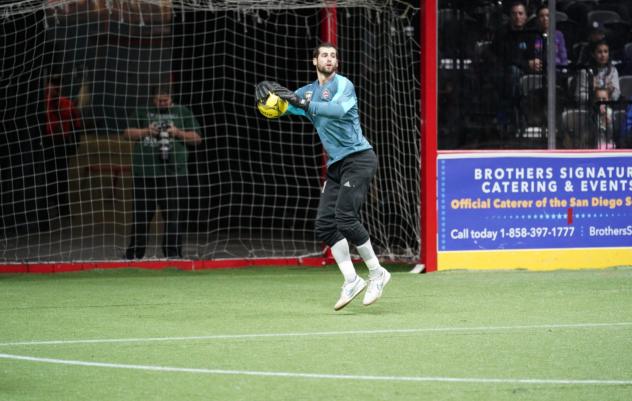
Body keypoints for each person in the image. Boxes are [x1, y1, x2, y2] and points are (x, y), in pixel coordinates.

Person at [255, 42, 391, 310]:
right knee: (325, 225)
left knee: (345, 217)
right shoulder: (307, 91)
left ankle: (377, 273)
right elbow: (284, 107)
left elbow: (338, 110)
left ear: (337, 63)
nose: (329, 59)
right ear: (314, 61)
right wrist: (267, 96)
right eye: (324, 55)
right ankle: (351, 279)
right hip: (338, 165)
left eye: (333, 56)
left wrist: (301, 102)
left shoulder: (344, 85)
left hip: (360, 158)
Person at [124, 86, 202, 259]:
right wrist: (146, 131)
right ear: (153, 100)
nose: (162, 103)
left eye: (165, 101)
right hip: (145, 174)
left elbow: (197, 138)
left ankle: (173, 255)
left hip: (174, 174)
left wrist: (177, 132)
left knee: (174, 218)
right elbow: (127, 133)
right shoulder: (142, 111)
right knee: (141, 217)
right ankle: (134, 255)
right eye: (159, 101)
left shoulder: (183, 112)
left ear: (171, 99)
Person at [42, 74, 82, 222]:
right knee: (48, 175)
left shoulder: (66, 103)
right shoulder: (41, 103)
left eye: (57, 84)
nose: (55, 87)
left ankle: (63, 208)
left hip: (61, 142)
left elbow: (76, 124)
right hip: (46, 142)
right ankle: (49, 205)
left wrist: (75, 144)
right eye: (52, 84)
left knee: (62, 175)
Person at [574, 40, 620, 105]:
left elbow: (616, 97)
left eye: (605, 51)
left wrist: (611, 91)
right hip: (588, 108)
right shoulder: (584, 71)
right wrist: (593, 92)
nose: (603, 55)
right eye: (599, 52)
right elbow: (578, 96)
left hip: (607, 108)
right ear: (593, 54)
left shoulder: (613, 70)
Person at [527, 3, 568, 74]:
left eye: (548, 16)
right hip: (539, 71)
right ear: (537, 19)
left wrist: (563, 69)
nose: (545, 18)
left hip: (557, 70)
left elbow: (563, 54)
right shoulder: (533, 35)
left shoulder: (559, 35)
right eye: (541, 16)